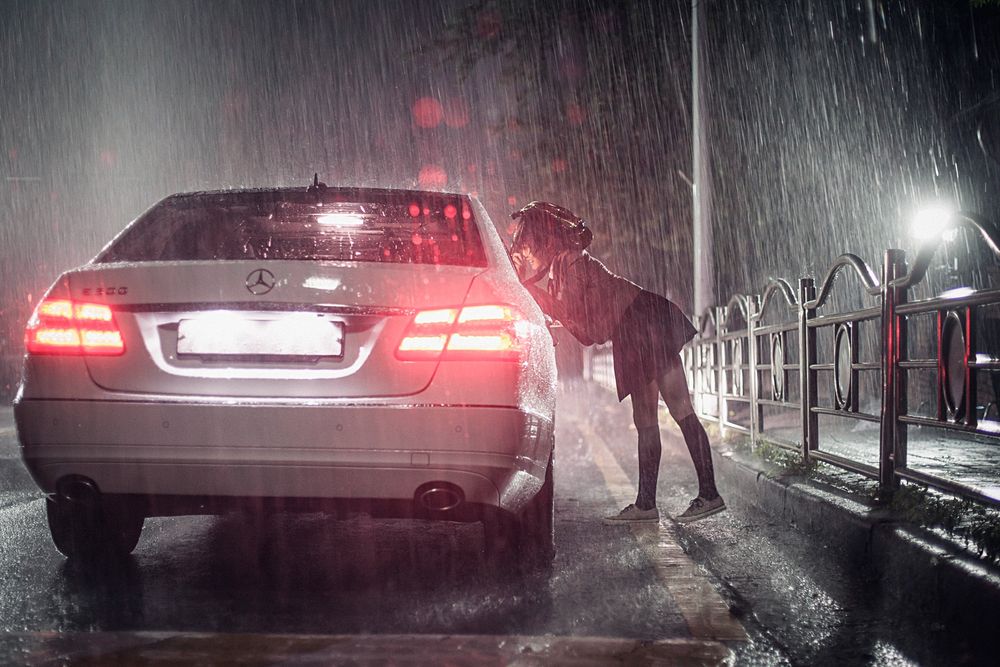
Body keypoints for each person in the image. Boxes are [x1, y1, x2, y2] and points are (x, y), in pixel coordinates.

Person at [509, 201, 725, 524]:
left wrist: (544, 301)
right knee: (681, 410)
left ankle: (649, 504)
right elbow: (587, 329)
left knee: (648, 418)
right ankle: (706, 494)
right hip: (647, 314)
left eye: (528, 246)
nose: (527, 254)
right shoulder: (567, 263)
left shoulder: (568, 265)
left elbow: (588, 331)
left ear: (541, 241)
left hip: (634, 326)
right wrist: (550, 303)